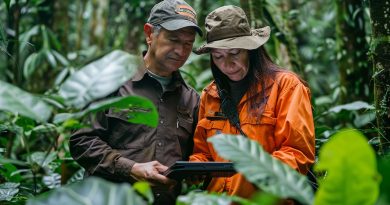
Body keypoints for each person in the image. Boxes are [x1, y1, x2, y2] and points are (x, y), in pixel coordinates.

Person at [69, 0, 202, 204]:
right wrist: (131, 168)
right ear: (149, 34)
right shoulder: (110, 82)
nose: (181, 51)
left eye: (188, 43)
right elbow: (81, 141)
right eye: (173, 39)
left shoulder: (191, 98)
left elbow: (195, 155)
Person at [189, 5, 315, 199]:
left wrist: (253, 171)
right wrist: (196, 167)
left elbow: (297, 153)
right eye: (218, 56)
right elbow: (203, 153)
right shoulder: (211, 94)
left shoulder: (286, 87)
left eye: (235, 53)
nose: (227, 64)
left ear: (251, 49)